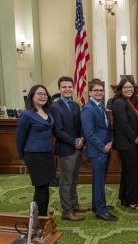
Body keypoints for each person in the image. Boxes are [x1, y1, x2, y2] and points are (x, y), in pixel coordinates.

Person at [50, 76, 89, 221]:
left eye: (69, 87)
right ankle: (67, 211)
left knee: (74, 179)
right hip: (66, 149)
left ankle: (74, 204)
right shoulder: (55, 107)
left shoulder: (75, 105)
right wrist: (74, 141)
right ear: (59, 89)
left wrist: (82, 139)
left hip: (77, 148)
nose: (67, 89)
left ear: (73, 88)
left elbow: (80, 125)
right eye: (64, 87)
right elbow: (57, 131)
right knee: (66, 182)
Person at [16, 85, 55, 216]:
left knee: (46, 187)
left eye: (45, 94)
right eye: (39, 94)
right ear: (32, 96)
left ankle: (43, 216)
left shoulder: (47, 112)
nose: (43, 96)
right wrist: (22, 157)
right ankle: (37, 220)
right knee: (40, 187)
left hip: (48, 154)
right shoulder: (26, 115)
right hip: (34, 156)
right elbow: (19, 138)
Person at [81, 79, 117, 221]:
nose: (99, 92)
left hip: (105, 148)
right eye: (95, 90)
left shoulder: (100, 106)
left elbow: (106, 128)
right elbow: (89, 133)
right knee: (99, 181)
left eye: (101, 90)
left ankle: (98, 205)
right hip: (98, 151)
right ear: (90, 92)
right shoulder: (88, 109)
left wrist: (110, 142)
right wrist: (103, 146)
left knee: (100, 181)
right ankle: (101, 211)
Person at [112, 78, 138, 210]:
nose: (129, 89)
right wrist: (135, 137)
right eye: (126, 87)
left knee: (127, 171)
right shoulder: (119, 102)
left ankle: (124, 197)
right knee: (132, 172)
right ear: (120, 89)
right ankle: (132, 200)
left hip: (130, 143)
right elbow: (123, 124)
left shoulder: (130, 102)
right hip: (126, 143)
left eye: (131, 87)